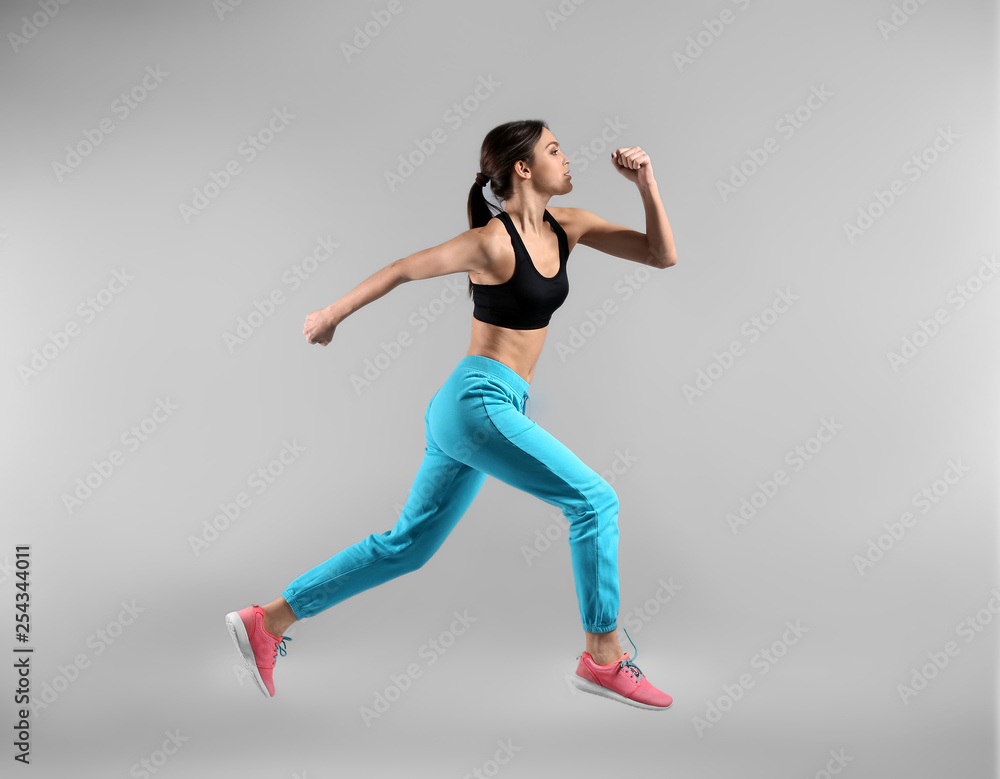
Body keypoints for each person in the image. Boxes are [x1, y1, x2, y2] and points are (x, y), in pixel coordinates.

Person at [226, 119, 678, 711]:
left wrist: (646, 184)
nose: (567, 160)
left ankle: (269, 620)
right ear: (522, 168)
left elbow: (660, 255)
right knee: (594, 502)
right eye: (553, 150)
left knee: (407, 546)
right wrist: (330, 314)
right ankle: (604, 657)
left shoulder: (569, 227)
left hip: (483, 406)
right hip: (477, 402)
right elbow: (403, 269)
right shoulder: (492, 242)